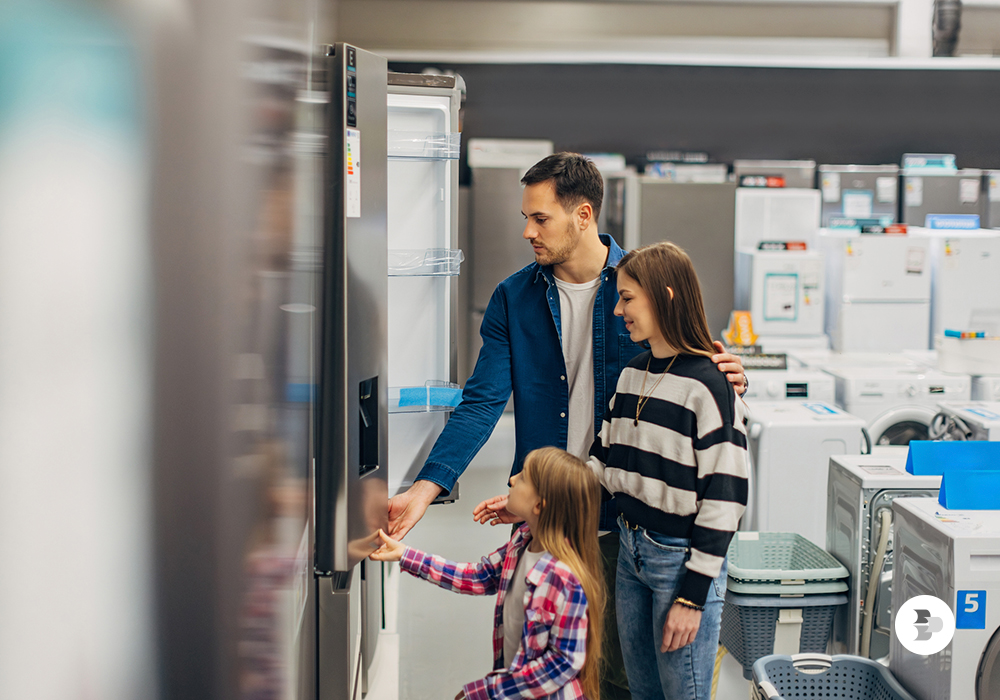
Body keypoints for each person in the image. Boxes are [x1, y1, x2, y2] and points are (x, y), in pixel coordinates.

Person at [388, 152, 746, 698]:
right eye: (525, 218)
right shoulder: (515, 297)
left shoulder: (637, 290)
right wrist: (423, 489)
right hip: (545, 511)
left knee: (623, 677)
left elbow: (691, 371)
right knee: (535, 665)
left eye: (540, 218)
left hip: (621, 522)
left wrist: (730, 376)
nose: (528, 231)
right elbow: (483, 402)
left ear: (583, 215)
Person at [588, 242, 749, 700]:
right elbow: (602, 464)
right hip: (629, 553)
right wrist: (538, 496)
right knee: (643, 694)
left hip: (679, 562)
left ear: (666, 296)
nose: (619, 310)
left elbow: (726, 498)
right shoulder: (632, 375)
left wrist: (693, 596)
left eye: (628, 298)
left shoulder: (710, 384)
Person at [371, 448, 605, 700]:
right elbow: (478, 576)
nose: (513, 479)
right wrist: (405, 555)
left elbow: (561, 664)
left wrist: (487, 692)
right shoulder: (521, 541)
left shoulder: (564, 578)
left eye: (524, 477)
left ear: (539, 505)